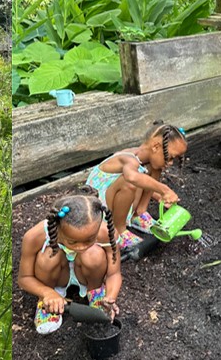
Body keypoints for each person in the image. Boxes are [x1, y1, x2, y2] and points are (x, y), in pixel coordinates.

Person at [16, 194, 122, 335]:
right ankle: (48, 301)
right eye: (73, 242)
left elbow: (114, 273)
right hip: (57, 275)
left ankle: (95, 292)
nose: (81, 247)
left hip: (86, 272)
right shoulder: (35, 236)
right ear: (58, 228)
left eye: (89, 240)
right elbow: (24, 278)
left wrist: (111, 296)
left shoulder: (107, 233)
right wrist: (47, 292)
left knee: (94, 253)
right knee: (49, 255)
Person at [83, 122, 186, 253]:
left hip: (113, 199)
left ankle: (139, 213)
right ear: (155, 146)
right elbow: (132, 177)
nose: (170, 163)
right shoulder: (127, 158)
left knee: (155, 167)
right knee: (129, 183)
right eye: (170, 157)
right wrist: (164, 189)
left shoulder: (146, 160)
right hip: (97, 207)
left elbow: (144, 180)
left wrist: (158, 196)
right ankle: (119, 230)